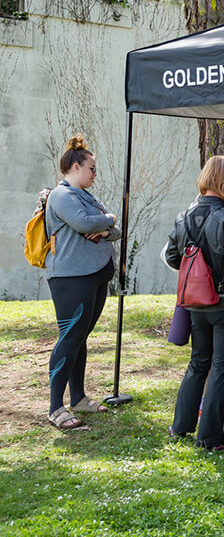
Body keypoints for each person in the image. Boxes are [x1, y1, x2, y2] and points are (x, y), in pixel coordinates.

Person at [165, 155, 224, 450]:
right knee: (222, 367)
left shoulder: (182, 216)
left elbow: (173, 257)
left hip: (195, 302)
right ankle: (210, 438)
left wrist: (196, 271)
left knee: (198, 362)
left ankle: (181, 426)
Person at [44, 135, 120, 430]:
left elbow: (116, 231)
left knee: (80, 337)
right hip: (71, 279)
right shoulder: (62, 196)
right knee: (70, 338)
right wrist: (108, 219)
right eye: (92, 168)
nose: (95, 173)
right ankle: (55, 407)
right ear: (75, 167)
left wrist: (106, 227)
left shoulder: (88, 198)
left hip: (95, 276)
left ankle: (78, 398)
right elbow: (87, 224)